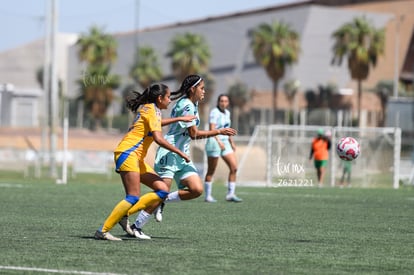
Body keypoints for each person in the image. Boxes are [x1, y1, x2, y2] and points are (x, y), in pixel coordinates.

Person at [126, 74, 237, 239]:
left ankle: (163, 202)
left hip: (182, 154)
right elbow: (194, 134)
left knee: (196, 189)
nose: (204, 91)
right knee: (160, 192)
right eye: (202, 88)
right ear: (193, 89)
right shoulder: (186, 105)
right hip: (170, 152)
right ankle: (136, 226)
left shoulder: (194, 103)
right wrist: (219, 131)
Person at [94, 83, 195, 241]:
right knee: (133, 196)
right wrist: (180, 152)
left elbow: (156, 124)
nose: (169, 101)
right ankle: (103, 230)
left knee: (162, 190)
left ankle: (123, 214)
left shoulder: (150, 109)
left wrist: (180, 118)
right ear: (159, 98)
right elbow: (158, 138)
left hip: (135, 156)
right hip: (128, 153)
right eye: (168, 97)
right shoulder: (152, 110)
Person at [204, 94, 242, 202]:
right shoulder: (214, 112)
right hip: (214, 142)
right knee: (211, 170)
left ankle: (230, 194)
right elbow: (212, 129)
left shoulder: (228, 113)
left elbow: (227, 129)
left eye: (225, 101)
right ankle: (208, 196)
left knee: (234, 168)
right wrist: (218, 141)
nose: (223, 103)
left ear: (228, 103)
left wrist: (231, 142)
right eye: (221, 101)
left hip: (225, 143)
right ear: (218, 102)